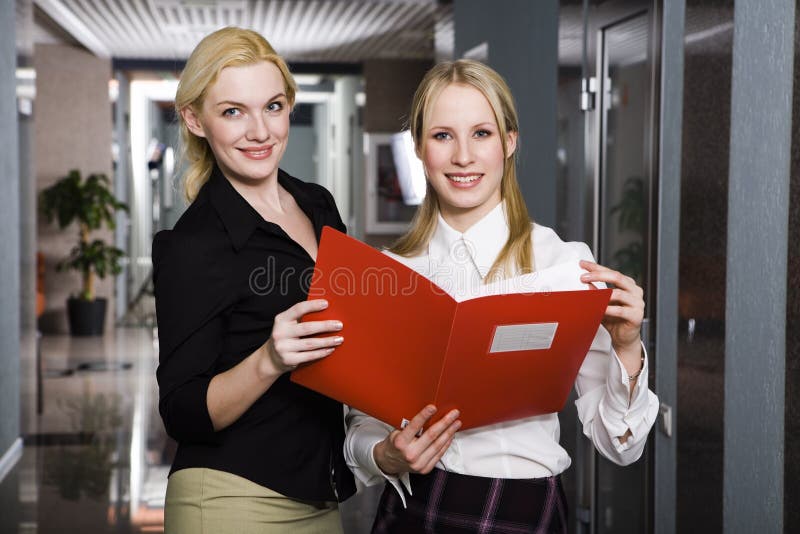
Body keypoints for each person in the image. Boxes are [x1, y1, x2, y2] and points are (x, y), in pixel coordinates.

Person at [344, 59, 660, 533]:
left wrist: (628, 347)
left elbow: (621, 445)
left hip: (524, 508)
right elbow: (359, 425)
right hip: (414, 508)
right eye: (443, 135)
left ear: (510, 142)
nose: (463, 157)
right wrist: (385, 453)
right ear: (419, 148)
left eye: (482, 134)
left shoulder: (563, 264)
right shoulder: (388, 273)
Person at [152, 27, 355, 533]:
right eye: (233, 111)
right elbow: (182, 412)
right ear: (195, 120)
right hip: (230, 498)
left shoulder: (318, 204)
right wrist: (269, 359)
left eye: (273, 106)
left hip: (320, 491)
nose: (260, 131)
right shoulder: (192, 245)